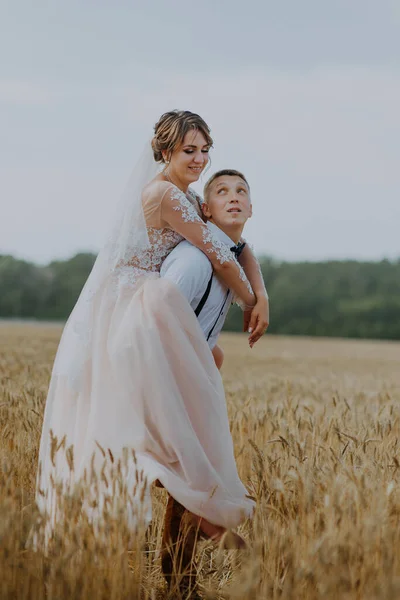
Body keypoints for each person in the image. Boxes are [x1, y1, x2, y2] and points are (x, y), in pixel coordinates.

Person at [36, 111, 268, 581]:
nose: (200, 159)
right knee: (166, 441)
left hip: (156, 313)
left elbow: (236, 247)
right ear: (164, 152)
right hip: (138, 310)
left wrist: (260, 291)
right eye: (189, 151)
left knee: (180, 432)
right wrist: (251, 303)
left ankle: (186, 549)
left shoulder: (184, 195)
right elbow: (218, 253)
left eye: (205, 150)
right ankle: (205, 524)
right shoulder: (164, 193)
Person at [159, 168, 266, 594]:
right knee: (190, 477)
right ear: (205, 209)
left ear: (252, 209)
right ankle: (199, 558)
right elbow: (155, 316)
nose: (234, 197)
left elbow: (242, 259)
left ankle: (178, 577)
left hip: (192, 380)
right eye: (221, 191)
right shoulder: (193, 261)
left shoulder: (229, 259)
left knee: (190, 478)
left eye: (242, 191)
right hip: (167, 381)